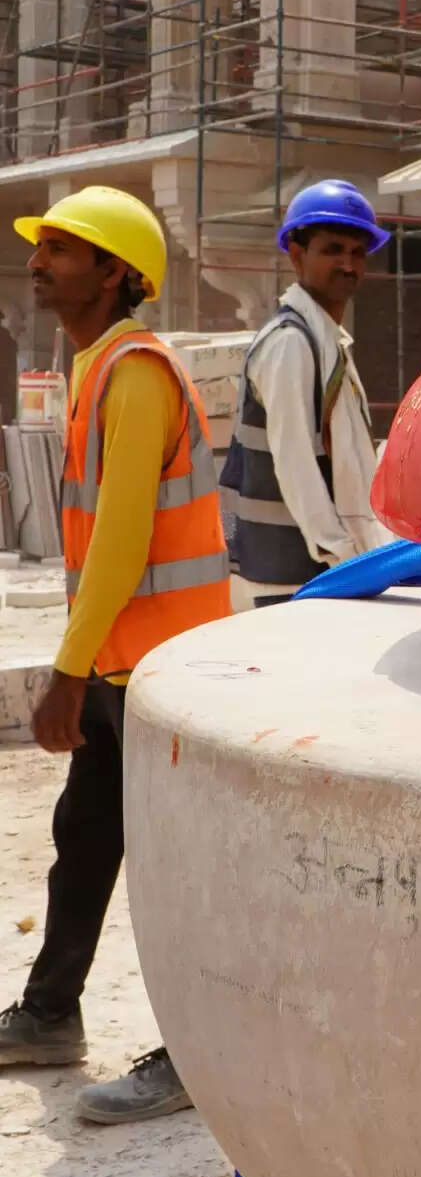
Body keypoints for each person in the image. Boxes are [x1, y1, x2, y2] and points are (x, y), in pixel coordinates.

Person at [0, 187, 230, 1119]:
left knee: (172, 871)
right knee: (84, 842)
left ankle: (196, 1056)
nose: (38, 261)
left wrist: (66, 670)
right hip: (123, 666)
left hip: (157, 672)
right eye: (41, 246)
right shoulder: (96, 368)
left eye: (62, 248)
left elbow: (125, 540)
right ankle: (51, 1014)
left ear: (115, 273)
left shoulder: (134, 373)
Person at [221, 179, 391, 606]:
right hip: (292, 576)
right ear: (297, 256)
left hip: (310, 570)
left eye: (357, 253)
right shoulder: (291, 342)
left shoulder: (326, 341)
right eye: (332, 250)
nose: (348, 265)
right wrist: (344, 557)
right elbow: (295, 461)